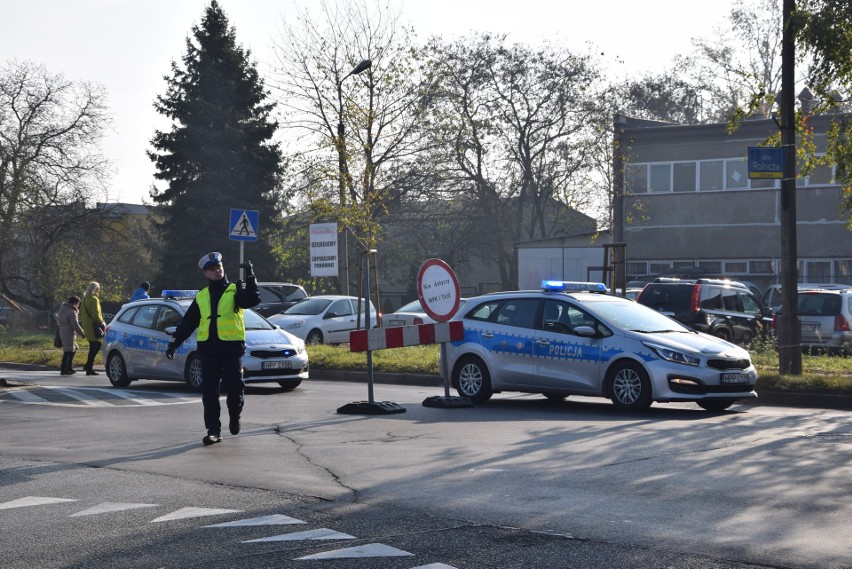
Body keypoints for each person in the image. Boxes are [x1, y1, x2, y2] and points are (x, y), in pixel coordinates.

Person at [166, 252, 259, 446]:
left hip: (231, 350)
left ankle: (235, 416)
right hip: (208, 351)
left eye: (219, 267)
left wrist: (250, 276)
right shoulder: (202, 295)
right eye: (212, 269)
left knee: (234, 388)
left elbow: (251, 300)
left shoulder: (235, 289)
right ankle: (213, 431)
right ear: (205, 273)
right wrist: (175, 343)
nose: (217, 271)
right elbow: (188, 322)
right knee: (209, 393)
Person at [80, 281, 106, 376]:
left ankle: (88, 367)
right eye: (98, 288)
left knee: (92, 345)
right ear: (96, 289)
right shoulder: (94, 299)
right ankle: (89, 366)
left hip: (86, 324)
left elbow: (81, 311)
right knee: (97, 344)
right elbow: (96, 314)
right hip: (93, 324)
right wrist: (101, 322)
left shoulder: (84, 299)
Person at [56, 296, 86, 375]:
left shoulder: (63, 309)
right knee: (68, 351)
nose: (78, 305)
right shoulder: (72, 312)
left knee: (73, 349)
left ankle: (69, 367)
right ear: (75, 303)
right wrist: (82, 333)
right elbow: (75, 324)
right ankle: (64, 369)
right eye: (78, 303)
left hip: (63, 330)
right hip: (68, 332)